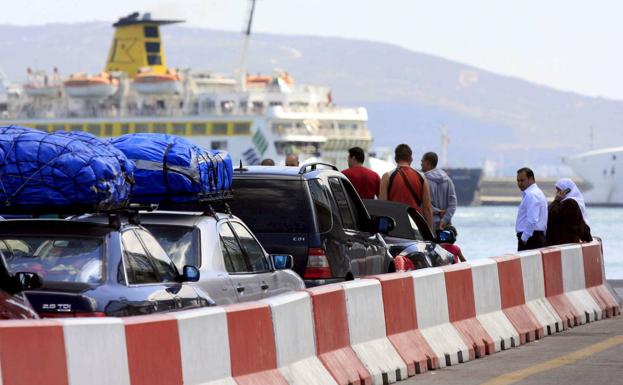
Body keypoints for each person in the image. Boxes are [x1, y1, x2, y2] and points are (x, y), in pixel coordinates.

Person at [380, 144, 433, 228]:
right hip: (415, 226)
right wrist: (431, 232)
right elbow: (427, 208)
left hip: (394, 226)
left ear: (396, 159)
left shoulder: (387, 177)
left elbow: (383, 206)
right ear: (411, 159)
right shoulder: (422, 178)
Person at [546, 178, 592, 246]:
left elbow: (578, 225)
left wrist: (556, 201)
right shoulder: (564, 203)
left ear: (567, 191)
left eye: (559, 190)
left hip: (563, 244)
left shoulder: (570, 203)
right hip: (562, 244)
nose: (557, 193)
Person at [421, 151, 457, 230]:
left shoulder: (423, 181)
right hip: (445, 225)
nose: (421, 164)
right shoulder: (448, 180)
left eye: (422, 161)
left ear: (427, 162)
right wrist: (445, 219)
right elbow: (453, 203)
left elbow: (424, 204)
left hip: (428, 224)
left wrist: (438, 211)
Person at [515, 167, 548, 251]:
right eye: (518, 181)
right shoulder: (537, 193)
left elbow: (532, 219)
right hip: (535, 236)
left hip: (531, 238)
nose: (519, 183)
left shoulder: (532, 195)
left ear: (531, 179)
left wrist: (524, 239)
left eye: (522, 180)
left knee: (528, 264)